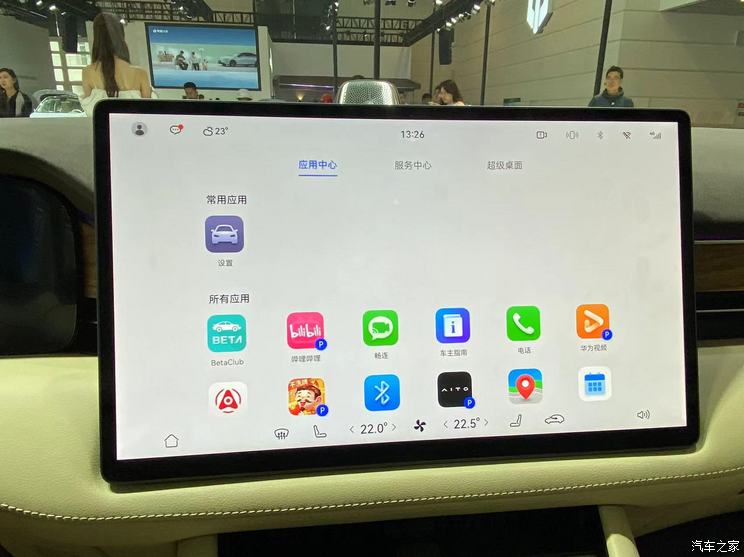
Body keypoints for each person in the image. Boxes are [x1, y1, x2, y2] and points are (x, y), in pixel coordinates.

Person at [80, 13, 152, 114]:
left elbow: (91, 115)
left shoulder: (88, 72)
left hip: (103, 124)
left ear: (97, 37)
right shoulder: (140, 73)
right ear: (121, 35)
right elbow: (148, 112)